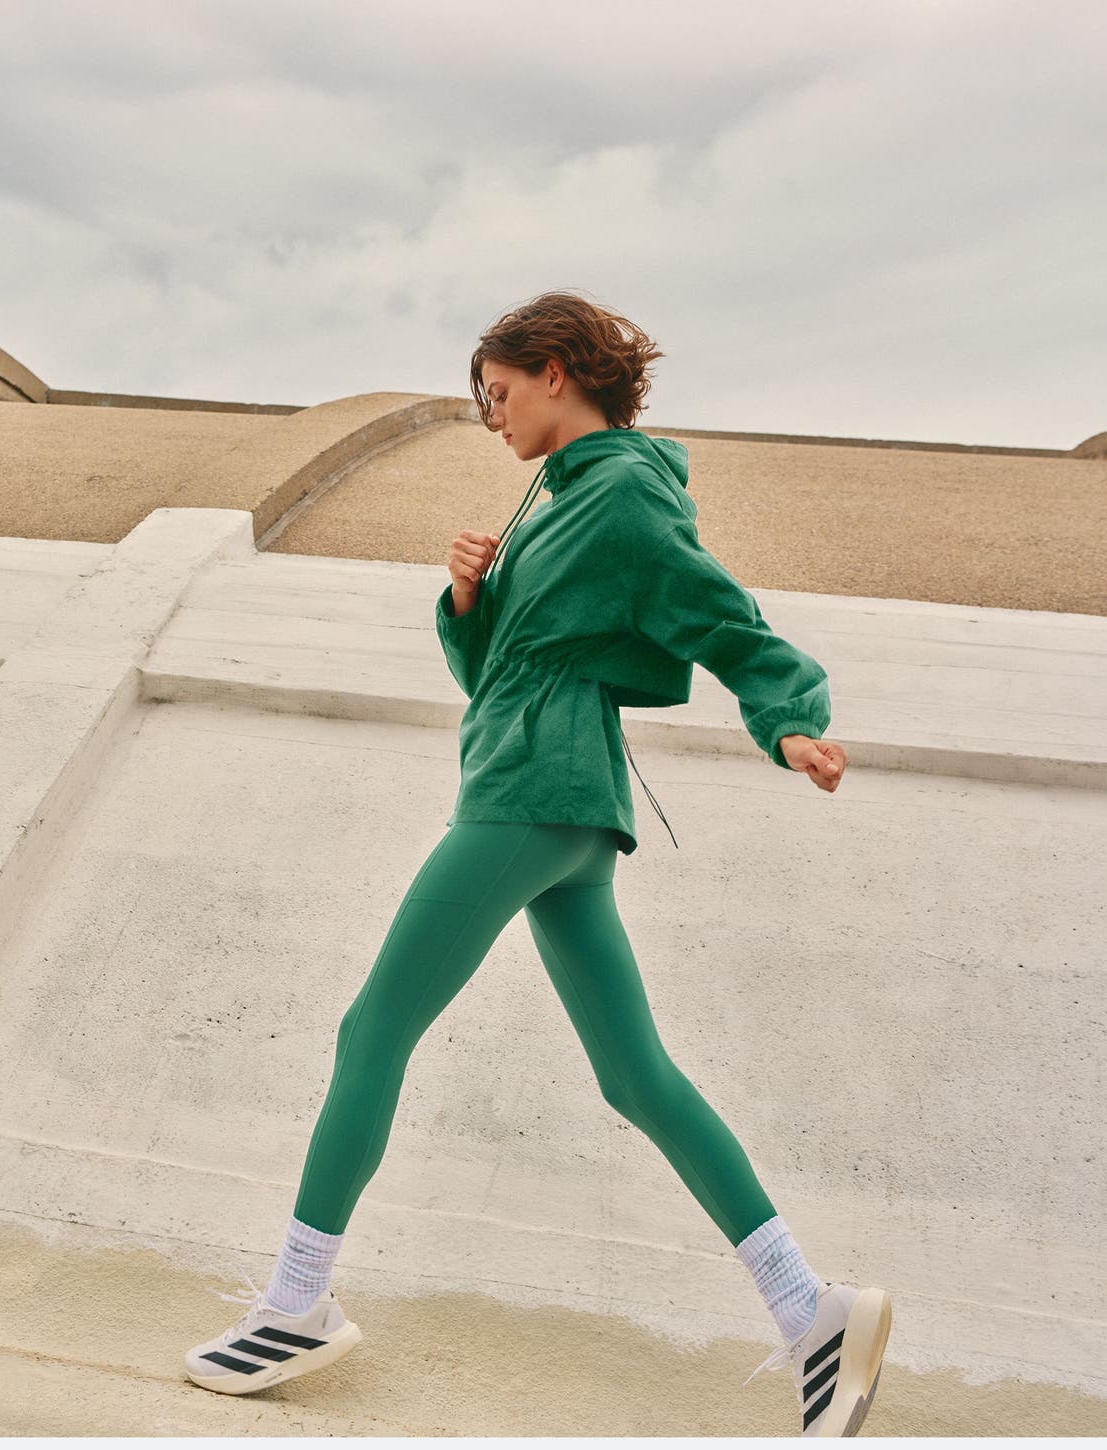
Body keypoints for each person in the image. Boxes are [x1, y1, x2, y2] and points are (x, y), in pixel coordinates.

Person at [184, 290, 891, 1437]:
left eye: (500, 393)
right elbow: (498, 670)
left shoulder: (613, 489)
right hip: (559, 800)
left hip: (531, 794)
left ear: (557, 370)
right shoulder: (557, 504)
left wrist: (787, 716)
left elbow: (717, 612)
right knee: (634, 1075)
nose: (491, 418)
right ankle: (809, 1308)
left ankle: (295, 1303)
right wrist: (470, 595)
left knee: (370, 1031)